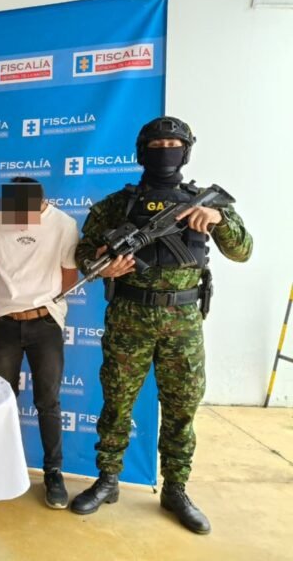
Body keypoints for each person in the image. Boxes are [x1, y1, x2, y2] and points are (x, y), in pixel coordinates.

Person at [69, 117, 253, 534]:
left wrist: (218, 220)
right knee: (116, 402)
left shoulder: (203, 202)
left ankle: (176, 489)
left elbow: (243, 251)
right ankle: (108, 480)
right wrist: (101, 265)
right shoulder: (117, 205)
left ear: (185, 151)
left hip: (183, 323)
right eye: (157, 145)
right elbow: (84, 253)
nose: (165, 151)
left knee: (181, 409)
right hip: (129, 319)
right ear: (142, 151)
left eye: (173, 144)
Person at [0, 177, 79, 509]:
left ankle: (53, 473)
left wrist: (38, 298)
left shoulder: (63, 225)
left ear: (41, 205)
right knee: (1, 400)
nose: (17, 222)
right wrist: (12, 294)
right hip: (4, 321)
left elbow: (69, 276)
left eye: (24, 216)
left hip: (46, 323)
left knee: (48, 401)